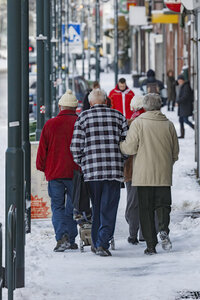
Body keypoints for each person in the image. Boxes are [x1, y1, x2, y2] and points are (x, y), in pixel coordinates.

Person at [70, 89, 128, 257]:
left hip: (92, 173)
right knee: (109, 208)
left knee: (96, 208)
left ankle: (97, 243)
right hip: (113, 171)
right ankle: (102, 242)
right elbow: (127, 144)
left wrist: (84, 163)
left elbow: (75, 147)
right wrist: (121, 159)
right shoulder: (118, 117)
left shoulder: (83, 118)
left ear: (91, 103)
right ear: (105, 101)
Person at [120, 93, 179, 255]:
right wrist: (166, 165)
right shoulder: (168, 124)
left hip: (143, 175)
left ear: (145, 107)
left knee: (145, 208)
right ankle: (163, 229)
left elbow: (130, 148)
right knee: (163, 205)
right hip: (163, 174)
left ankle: (151, 246)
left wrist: (120, 145)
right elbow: (175, 152)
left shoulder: (138, 123)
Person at [36, 90, 79, 252]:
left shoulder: (50, 124)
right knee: (73, 206)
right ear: (75, 107)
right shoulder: (80, 122)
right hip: (75, 172)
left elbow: (42, 150)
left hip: (55, 172)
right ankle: (72, 238)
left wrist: (42, 167)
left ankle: (61, 238)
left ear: (60, 107)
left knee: (57, 207)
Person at [124, 95, 145, 245]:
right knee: (148, 202)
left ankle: (133, 233)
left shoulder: (130, 123)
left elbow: (128, 147)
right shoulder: (153, 123)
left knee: (133, 202)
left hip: (132, 170)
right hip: (149, 169)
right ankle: (145, 233)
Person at [176, 74, 194, 138]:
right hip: (182, 106)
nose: (179, 81)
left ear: (183, 80)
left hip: (185, 106)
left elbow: (185, 96)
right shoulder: (182, 86)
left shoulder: (186, 86)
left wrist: (178, 101)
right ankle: (182, 135)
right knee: (181, 120)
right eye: (178, 80)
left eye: (180, 80)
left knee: (185, 120)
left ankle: (196, 129)